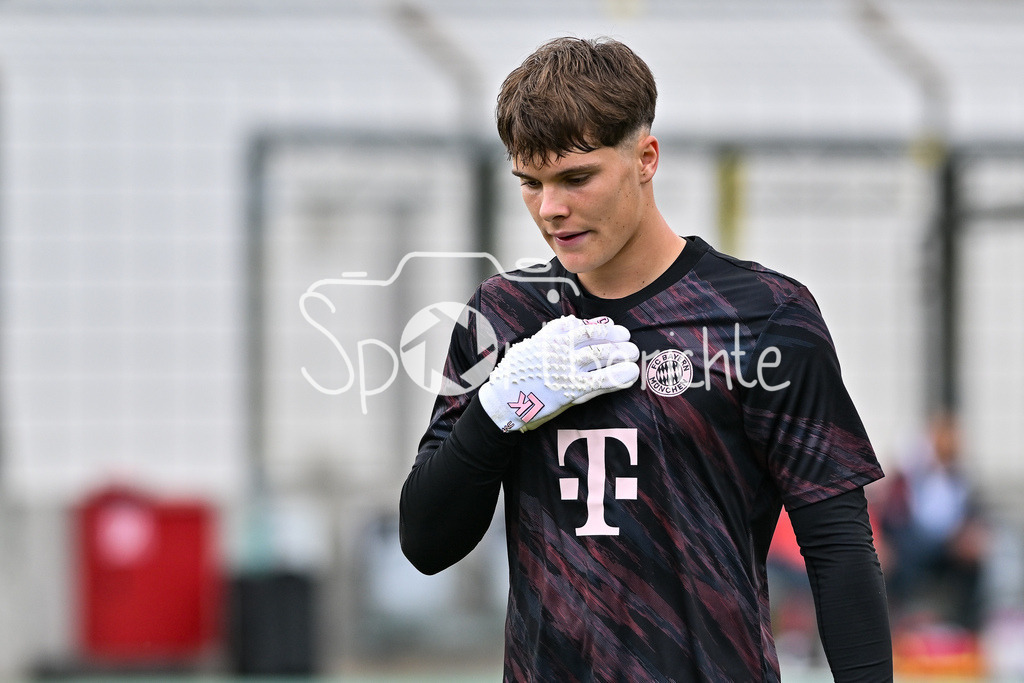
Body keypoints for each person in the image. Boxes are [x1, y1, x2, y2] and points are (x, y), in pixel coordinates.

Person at [400, 36, 892, 682]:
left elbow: (839, 549)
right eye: (531, 182)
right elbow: (427, 542)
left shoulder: (764, 316)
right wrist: (498, 407)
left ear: (645, 158)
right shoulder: (503, 317)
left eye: (577, 177)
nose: (551, 208)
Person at [878, 412, 988, 633]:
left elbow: (970, 517)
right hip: (910, 543)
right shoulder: (909, 476)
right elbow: (891, 516)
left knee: (974, 563)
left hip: (948, 545)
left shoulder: (960, 478)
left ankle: (967, 628)